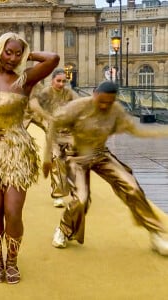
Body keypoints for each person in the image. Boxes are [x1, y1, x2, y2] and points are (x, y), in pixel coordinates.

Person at [0, 32, 59, 284]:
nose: (13, 58)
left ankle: (12, 261)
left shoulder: (25, 80)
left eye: (18, 53)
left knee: (13, 211)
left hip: (17, 152)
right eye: (8, 52)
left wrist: (28, 54)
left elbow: (53, 58)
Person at [43, 80, 168, 256]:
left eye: (108, 103)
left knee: (132, 188)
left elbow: (136, 130)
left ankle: (155, 234)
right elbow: (54, 124)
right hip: (76, 156)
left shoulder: (115, 110)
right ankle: (63, 230)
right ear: (94, 95)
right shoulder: (78, 106)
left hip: (100, 154)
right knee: (81, 199)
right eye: (101, 101)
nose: (104, 106)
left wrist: (162, 133)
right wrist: (48, 156)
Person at [35, 68, 79, 208]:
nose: (61, 84)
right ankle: (58, 195)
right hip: (53, 134)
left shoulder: (70, 93)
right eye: (58, 81)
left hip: (69, 133)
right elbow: (34, 109)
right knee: (57, 162)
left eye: (64, 81)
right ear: (52, 80)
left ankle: (75, 191)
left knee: (72, 162)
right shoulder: (45, 93)